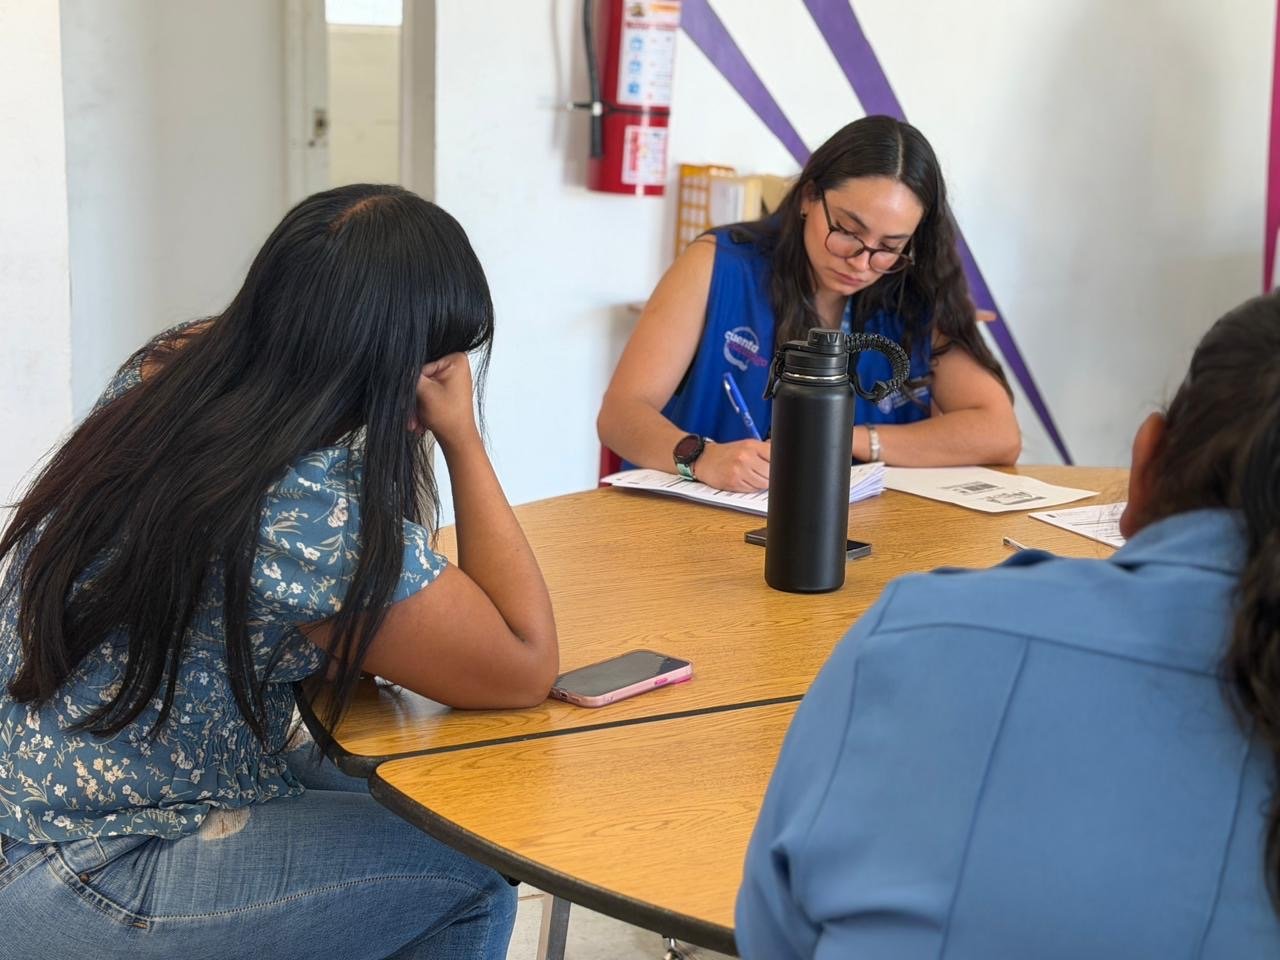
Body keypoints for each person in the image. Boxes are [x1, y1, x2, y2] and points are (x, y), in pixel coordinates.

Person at [0, 184, 558, 959]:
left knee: (436, 806)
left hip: (43, 808)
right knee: (472, 877)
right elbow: (524, 665)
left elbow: (353, 644)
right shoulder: (295, 510)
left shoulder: (181, 365)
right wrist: (462, 437)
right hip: (92, 868)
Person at [735, 292, 1280, 958]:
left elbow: (773, 934)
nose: (869, 257)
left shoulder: (916, 635)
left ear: (1146, 462)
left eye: (890, 246)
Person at [598, 115, 1021, 492]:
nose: (862, 262)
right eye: (848, 231)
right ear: (808, 197)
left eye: (890, 247)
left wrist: (845, 437)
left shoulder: (913, 293)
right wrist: (703, 458)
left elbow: (998, 433)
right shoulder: (718, 265)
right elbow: (620, 414)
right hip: (690, 528)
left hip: (857, 533)